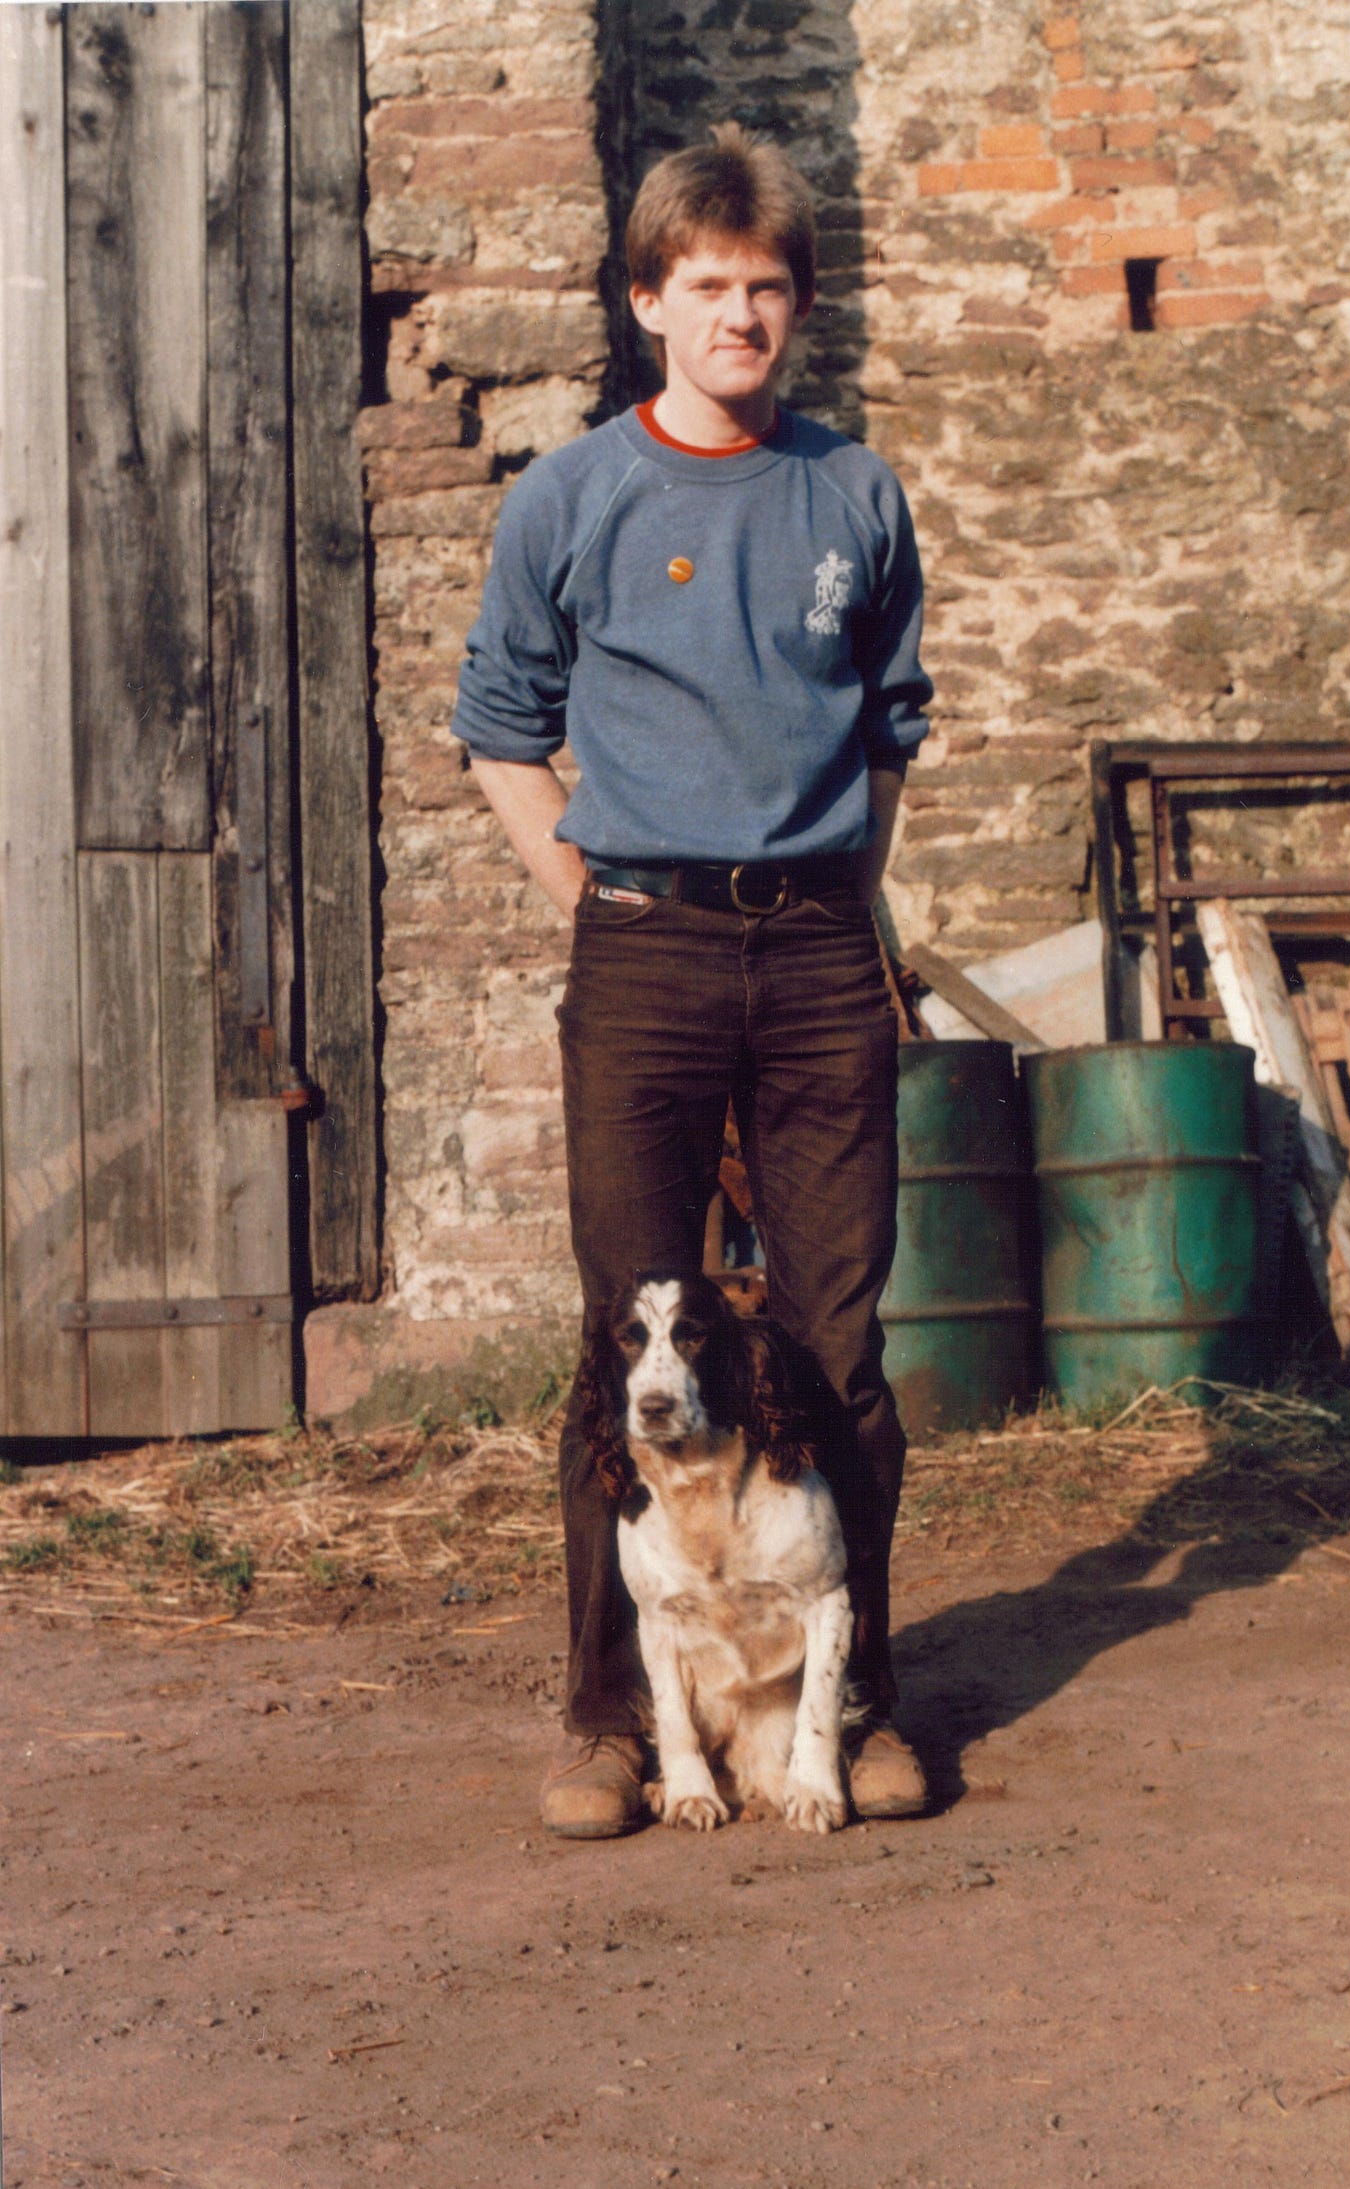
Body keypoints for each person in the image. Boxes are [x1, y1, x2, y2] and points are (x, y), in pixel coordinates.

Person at [451, 123, 933, 1837]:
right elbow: (499, 729)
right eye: (708, 286)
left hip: (813, 945)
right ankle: (608, 1720)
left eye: (769, 288)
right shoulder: (573, 496)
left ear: (798, 306)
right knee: (625, 1343)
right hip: (640, 943)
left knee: (839, 1339)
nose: (742, 315)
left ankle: (854, 1699)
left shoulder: (853, 495)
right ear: (648, 297)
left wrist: (832, 907)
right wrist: (596, 893)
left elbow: (889, 735)